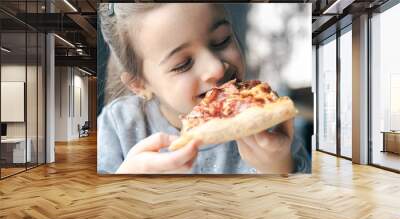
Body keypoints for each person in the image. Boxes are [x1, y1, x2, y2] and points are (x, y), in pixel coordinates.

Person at [97, 3, 311, 174]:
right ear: (139, 85)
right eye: (183, 64)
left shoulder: (266, 115)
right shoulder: (118, 124)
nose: (215, 68)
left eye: (222, 40)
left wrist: (279, 167)